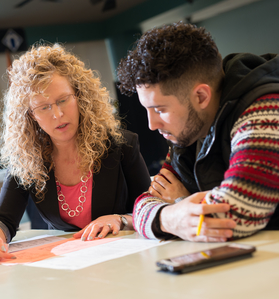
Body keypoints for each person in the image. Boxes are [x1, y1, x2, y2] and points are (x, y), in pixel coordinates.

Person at [0, 44, 151, 262]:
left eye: (63, 100)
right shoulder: (28, 158)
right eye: (44, 107)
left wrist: (120, 219)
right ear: (30, 115)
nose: (57, 114)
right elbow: (2, 218)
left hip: (126, 259)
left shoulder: (121, 145)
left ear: (80, 96)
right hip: (66, 266)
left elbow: (150, 207)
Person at [117, 22, 279, 242]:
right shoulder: (189, 129)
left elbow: (237, 213)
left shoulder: (265, 110)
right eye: (147, 110)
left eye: (160, 109)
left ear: (201, 96)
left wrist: (178, 204)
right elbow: (143, 205)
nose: (151, 125)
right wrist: (171, 217)